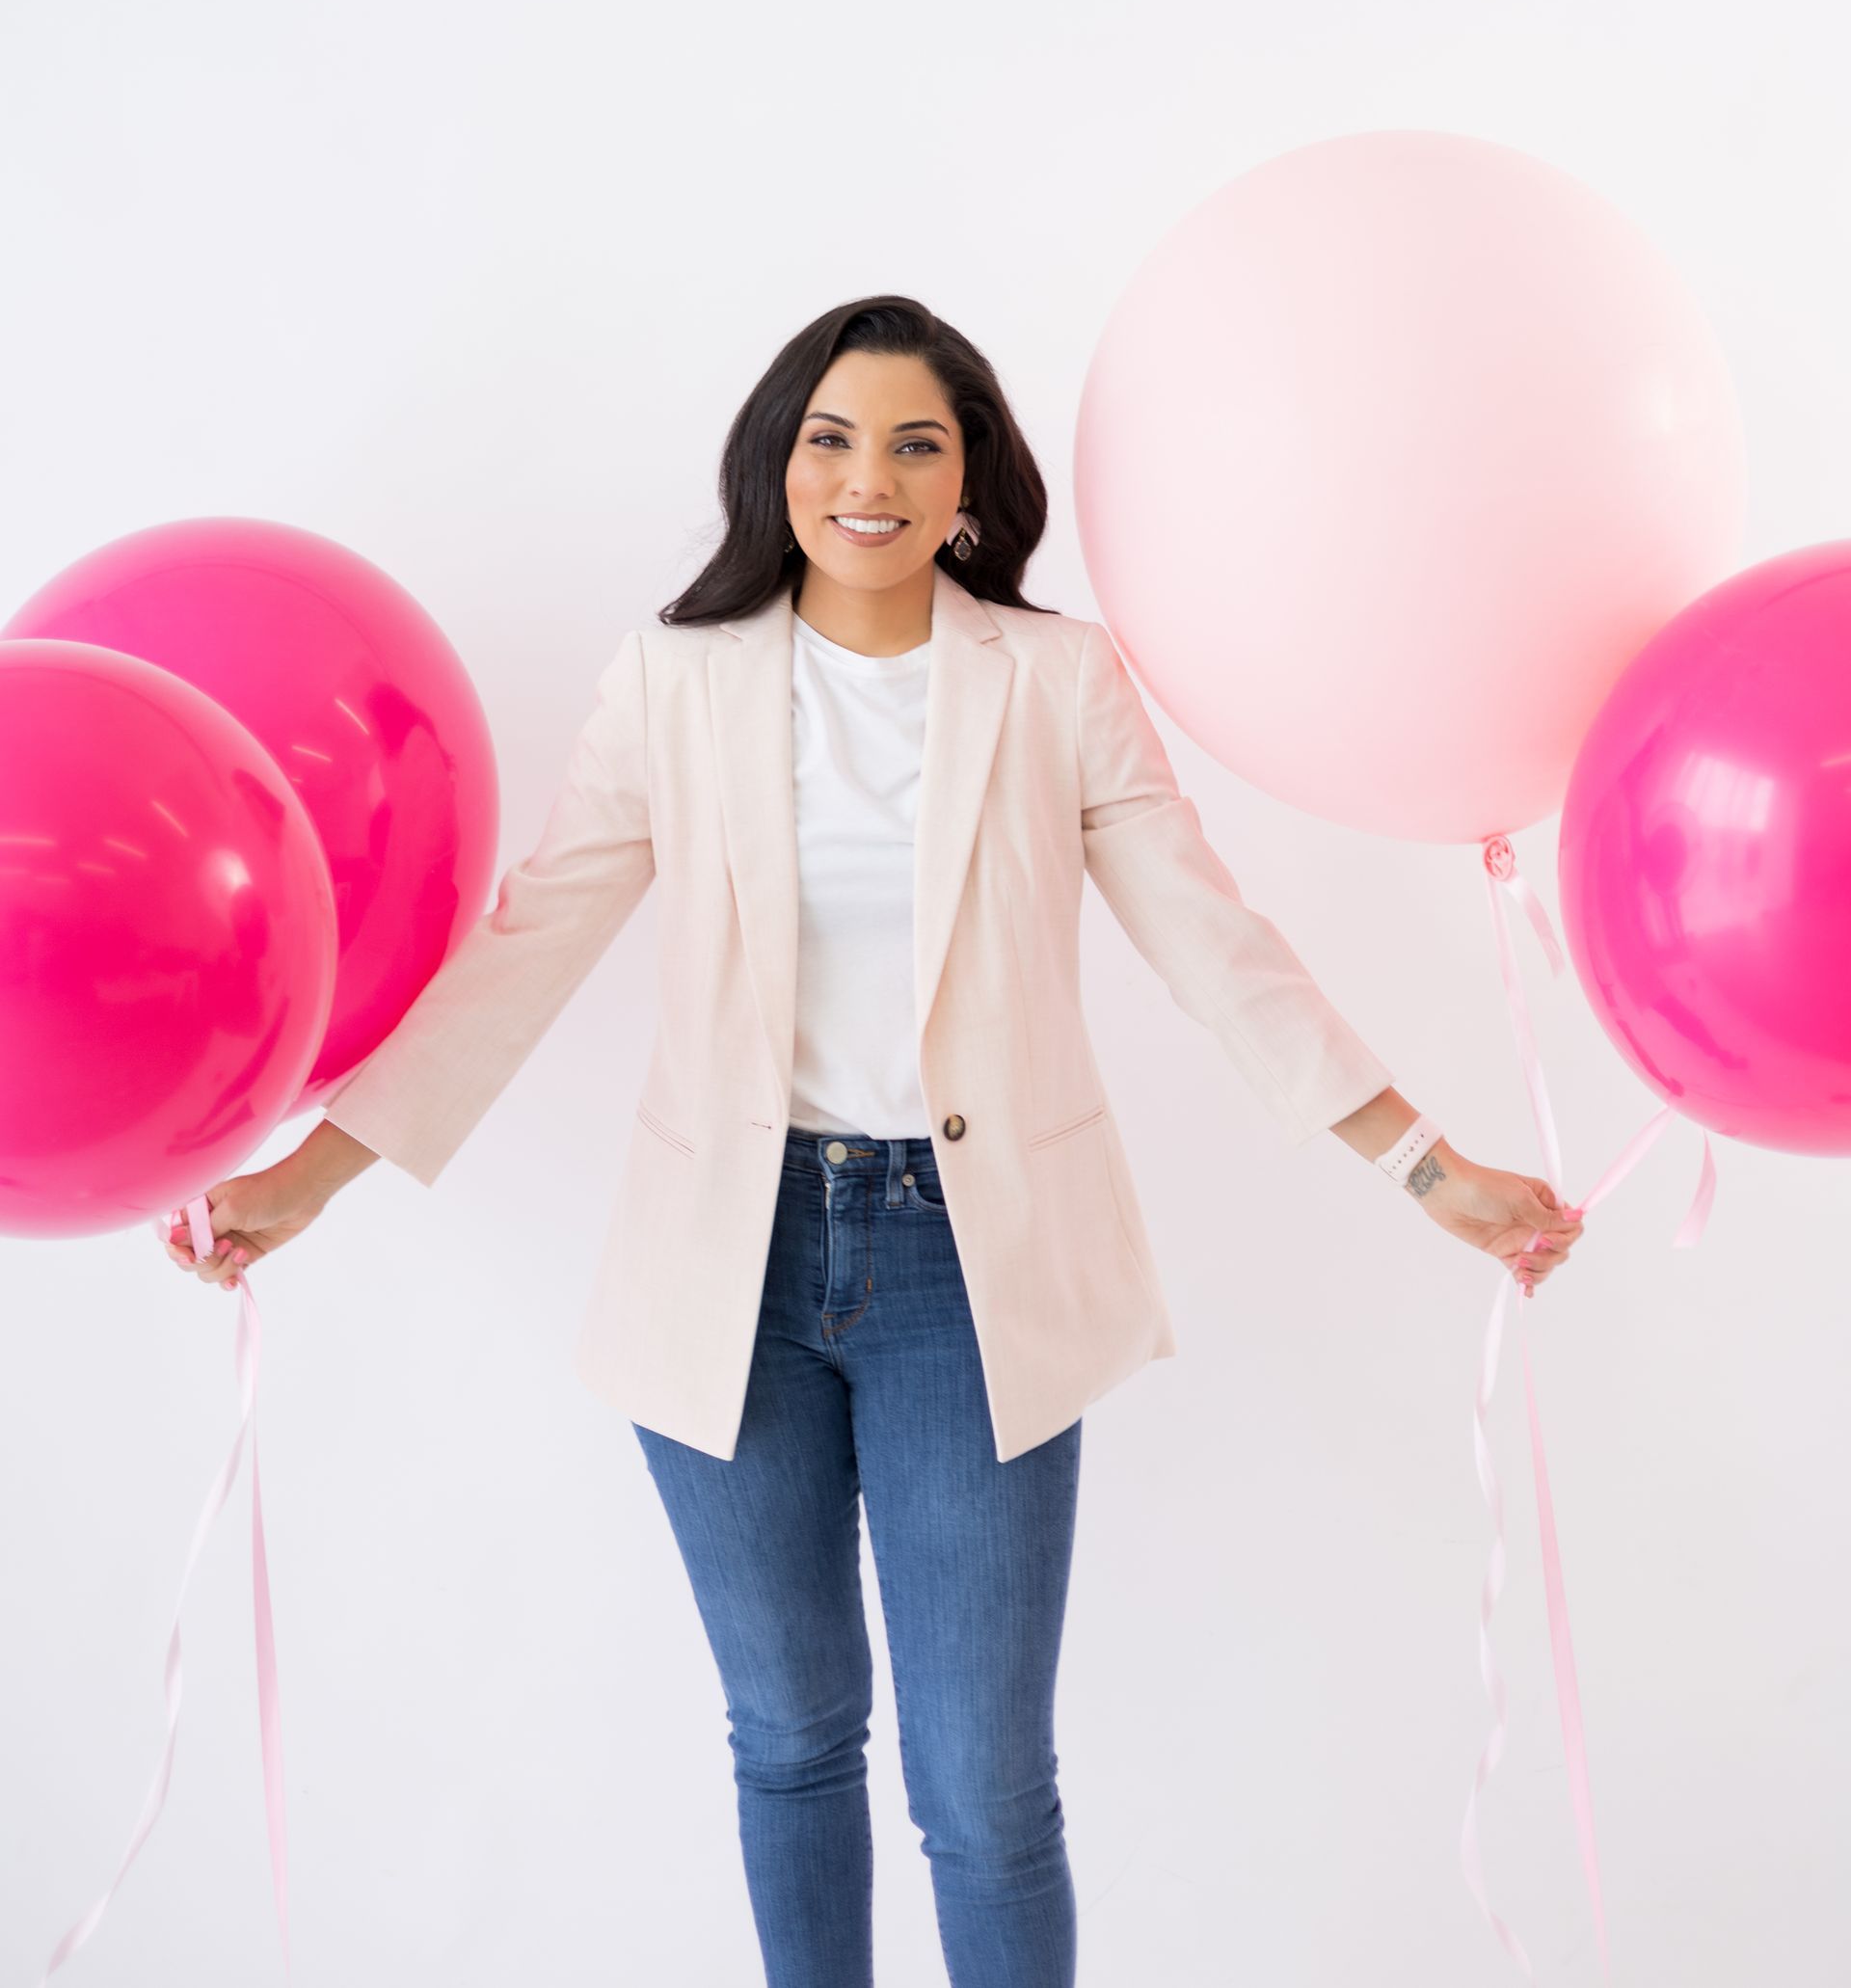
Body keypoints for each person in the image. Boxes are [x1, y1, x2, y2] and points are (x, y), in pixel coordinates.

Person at [167, 294, 1582, 1988]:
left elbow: (1215, 942)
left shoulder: (1055, 681)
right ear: (778, 463)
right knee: (788, 1738)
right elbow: (524, 948)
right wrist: (307, 1181)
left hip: (967, 1271)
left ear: (969, 475)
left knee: (984, 1788)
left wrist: (1428, 1168)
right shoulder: (676, 683)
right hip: (725, 1267)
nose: (871, 478)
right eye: (833, 437)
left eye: (918, 442)